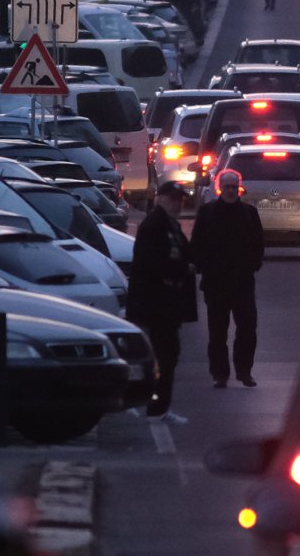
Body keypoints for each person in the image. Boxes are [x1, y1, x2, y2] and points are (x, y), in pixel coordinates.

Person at [189, 168, 266, 388]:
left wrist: (253, 265)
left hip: (243, 283)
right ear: (219, 188)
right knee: (217, 332)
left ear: (239, 188)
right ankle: (220, 373)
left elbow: (258, 243)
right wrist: (204, 267)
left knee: (248, 328)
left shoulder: (249, 213)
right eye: (227, 187)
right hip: (216, 284)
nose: (231, 191)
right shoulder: (207, 212)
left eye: (234, 187)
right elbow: (197, 244)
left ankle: (244, 372)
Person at [127, 181, 197, 422]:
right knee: (163, 356)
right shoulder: (153, 226)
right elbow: (151, 264)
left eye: (181, 200)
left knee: (168, 355)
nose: (179, 204)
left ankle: (158, 406)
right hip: (155, 303)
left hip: (167, 304)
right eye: (174, 199)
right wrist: (182, 268)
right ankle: (154, 407)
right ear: (161, 199)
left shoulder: (170, 225)